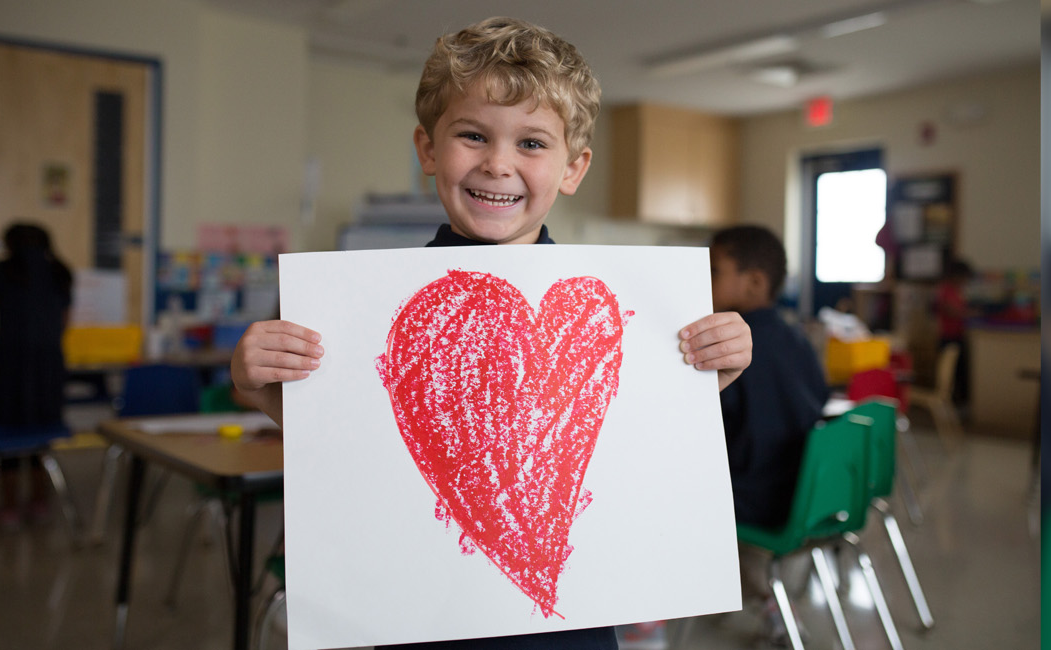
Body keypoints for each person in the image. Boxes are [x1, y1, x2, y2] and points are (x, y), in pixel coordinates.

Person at [229, 17, 753, 650]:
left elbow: (633, 449)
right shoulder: (364, 312)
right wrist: (259, 387)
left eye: (532, 143)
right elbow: (361, 450)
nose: (498, 164)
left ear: (573, 167)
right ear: (427, 149)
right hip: (418, 621)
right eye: (472, 135)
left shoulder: (618, 315)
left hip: (572, 627)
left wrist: (707, 378)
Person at [709, 225, 831, 643]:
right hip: (809, 493)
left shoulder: (729, 353)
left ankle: (644, 615)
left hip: (758, 499)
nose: (704, 281)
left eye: (714, 271)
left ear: (754, 282)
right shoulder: (797, 338)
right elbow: (820, 400)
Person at [0, 222, 73, 521]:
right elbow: (64, 321)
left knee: (7, 437)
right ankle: (40, 503)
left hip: (9, 364)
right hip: (49, 365)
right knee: (40, 439)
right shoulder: (61, 272)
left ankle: (9, 507)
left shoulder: (2, 271)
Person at [935, 258, 974, 413]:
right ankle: (951, 406)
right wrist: (969, 313)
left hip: (957, 335)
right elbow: (950, 310)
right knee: (953, 375)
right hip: (948, 336)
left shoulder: (957, 290)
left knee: (960, 373)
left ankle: (957, 406)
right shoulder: (945, 289)